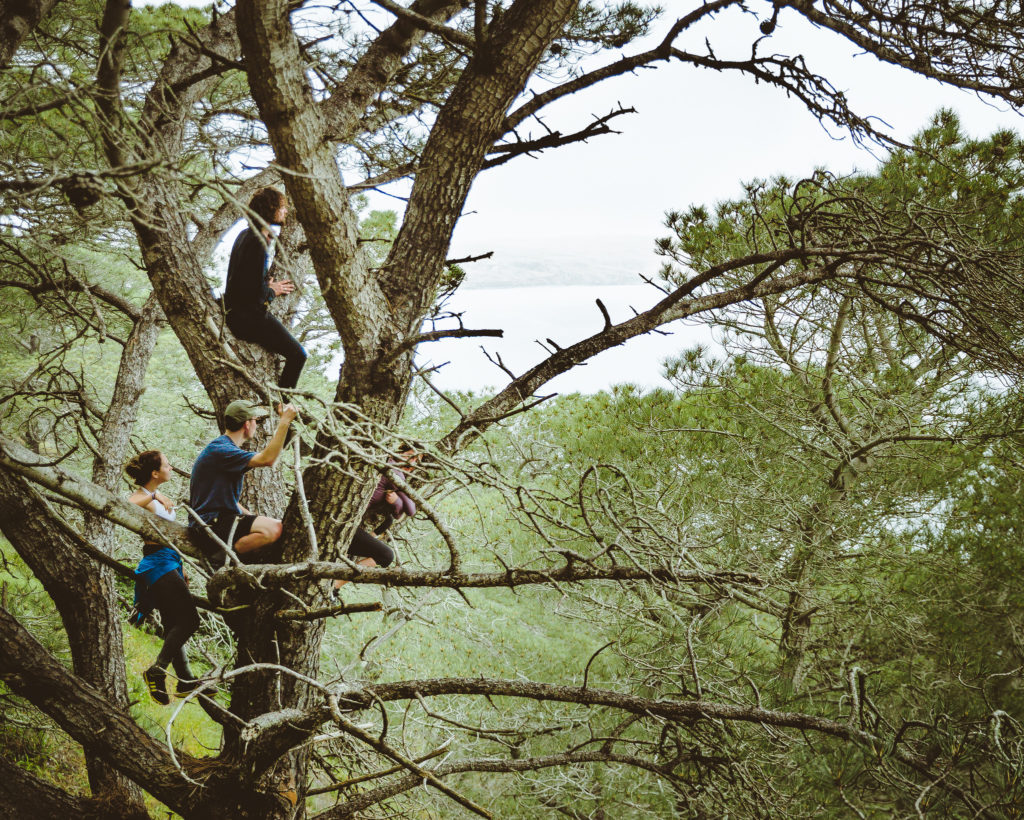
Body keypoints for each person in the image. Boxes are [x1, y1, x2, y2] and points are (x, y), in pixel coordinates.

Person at [126, 450, 200, 705]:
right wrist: (153, 494)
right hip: (157, 563)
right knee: (190, 620)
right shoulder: (144, 497)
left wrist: (182, 570)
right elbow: (120, 504)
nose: (171, 467)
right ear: (155, 473)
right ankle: (157, 670)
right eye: (167, 465)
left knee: (173, 623)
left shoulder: (152, 496)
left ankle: (185, 680)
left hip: (169, 562)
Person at [188, 399, 298, 565]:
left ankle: (234, 559)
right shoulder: (221, 450)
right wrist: (284, 422)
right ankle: (223, 559)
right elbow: (268, 459)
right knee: (274, 529)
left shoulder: (223, 449)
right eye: (257, 421)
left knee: (270, 531)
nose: (257, 425)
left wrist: (252, 517)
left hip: (214, 523)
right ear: (247, 424)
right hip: (208, 527)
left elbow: (223, 499)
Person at [224, 187, 307, 392]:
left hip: (236, 313)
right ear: (271, 209)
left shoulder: (245, 234)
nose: (285, 212)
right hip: (248, 319)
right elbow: (252, 296)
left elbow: (242, 281)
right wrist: (272, 291)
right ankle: (282, 405)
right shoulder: (258, 241)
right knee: (298, 355)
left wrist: (264, 284)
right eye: (282, 207)